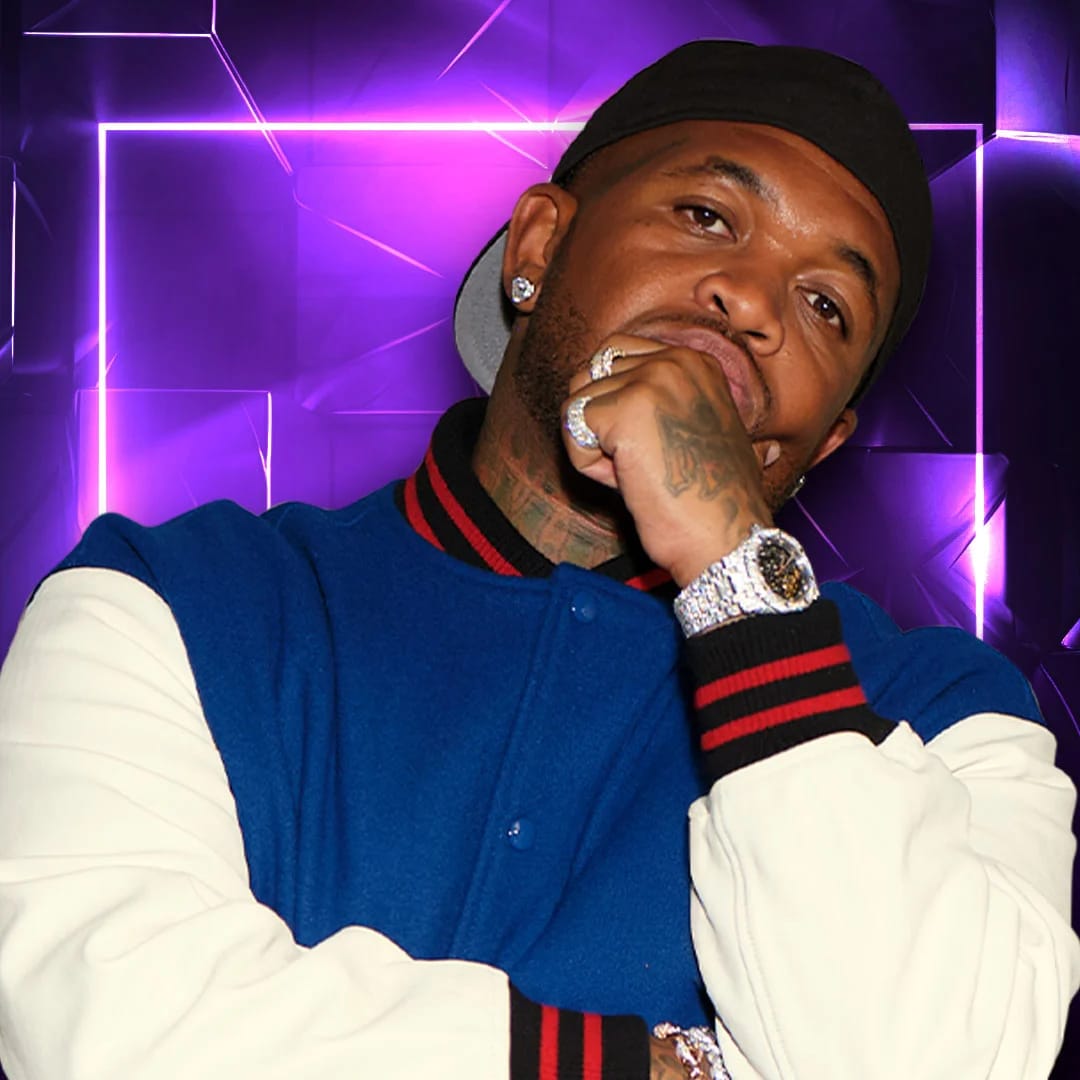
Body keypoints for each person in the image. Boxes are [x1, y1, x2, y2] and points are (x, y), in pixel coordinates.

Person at [0, 39, 1076, 1080]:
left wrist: (734, 564)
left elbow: (933, 1065)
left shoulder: (949, 717)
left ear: (821, 441)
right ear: (538, 249)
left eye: (826, 307)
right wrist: (648, 1068)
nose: (752, 303)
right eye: (705, 216)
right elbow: (101, 1028)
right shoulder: (166, 604)